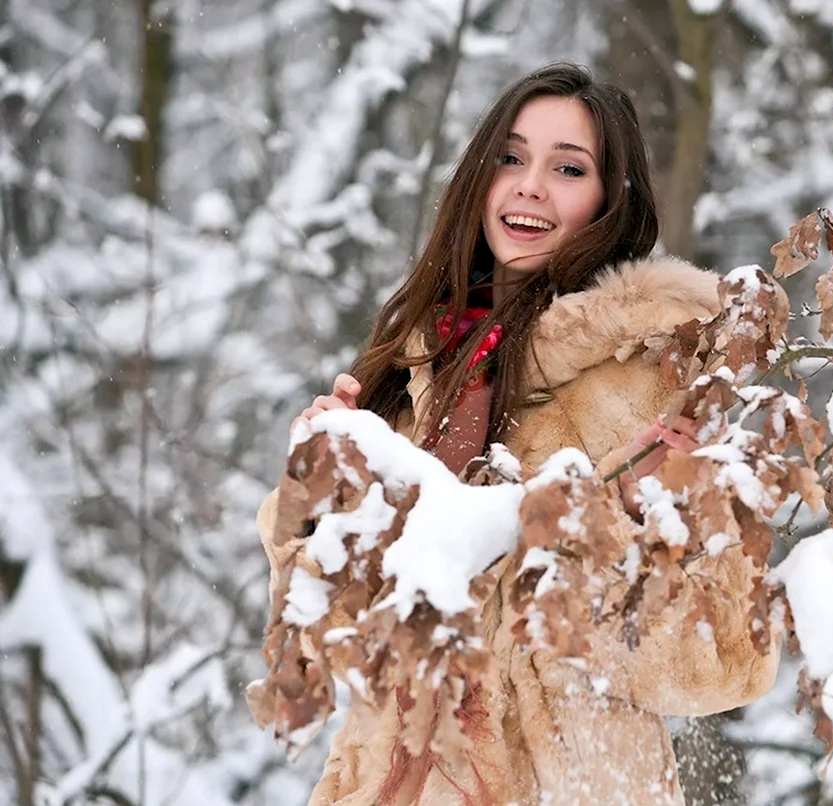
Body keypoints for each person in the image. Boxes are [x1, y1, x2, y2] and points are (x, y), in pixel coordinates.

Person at [255, 63, 780, 806]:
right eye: (511, 156)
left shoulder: (655, 377)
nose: (530, 185)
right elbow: (339, 642)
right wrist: (320, 495)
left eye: (568, 167)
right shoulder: (421, 370)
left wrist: (598, 546)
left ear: (609, 200)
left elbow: (726, 660)